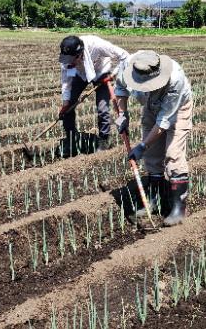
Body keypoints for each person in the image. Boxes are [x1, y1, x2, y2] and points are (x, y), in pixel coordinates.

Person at [113, 50, 194, 227]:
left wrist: (142, 146)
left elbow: (164, 122)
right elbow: (119, 89)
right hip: (150, 106)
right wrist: (122, 114)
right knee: (152, 156)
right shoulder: (130, 65)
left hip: (178, 108)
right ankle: (155, 200)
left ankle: (178, 208)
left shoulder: (175, 79)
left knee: (173, 153)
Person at [58, 35, 129, 153]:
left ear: (80, 54)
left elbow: (125, 56)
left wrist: (114, 74)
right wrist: (66, 102)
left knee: (102, 108)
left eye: (72, 60)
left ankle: (104, 140)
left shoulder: (97, 45)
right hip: (81, 75)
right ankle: (71, 139)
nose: (70, 62)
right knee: (69, 106)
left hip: (101, 72)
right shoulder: (68, 61)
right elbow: (67, 81)